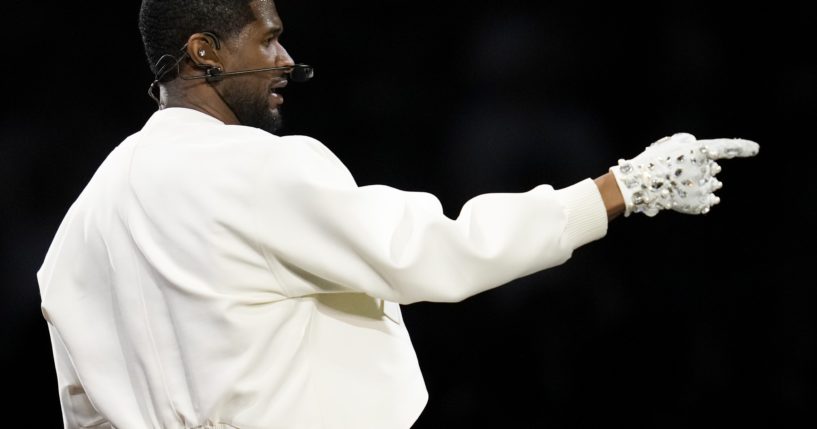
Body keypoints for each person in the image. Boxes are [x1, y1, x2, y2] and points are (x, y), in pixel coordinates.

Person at [36, 1, 759, 428]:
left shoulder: (81, 224)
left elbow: (86, 409)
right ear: (204, 52)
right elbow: (434, 252)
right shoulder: (255, 167)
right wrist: (622, 187)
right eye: (267, 37)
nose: (286, 57)